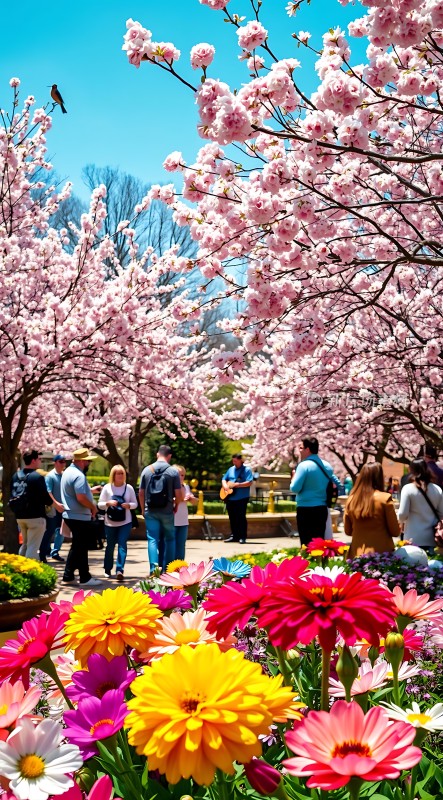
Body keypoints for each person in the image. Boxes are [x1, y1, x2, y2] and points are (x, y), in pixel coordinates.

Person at [61, 447, 102, 587]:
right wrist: (92, 506)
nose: (89, 464)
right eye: (88, 462)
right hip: (79, 516)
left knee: (78, 546)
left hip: (71, 514)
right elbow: (80, 497)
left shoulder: (67, 472)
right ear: (82, 461)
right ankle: (84, 577)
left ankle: (69, 575)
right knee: (81, 546)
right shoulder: (79, 475)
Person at [139, 445, 182, 573]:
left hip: (150, 510)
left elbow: (141, 493)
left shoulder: (146, 470)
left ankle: (154, 569)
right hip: (167, 510)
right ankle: (168, 569)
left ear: (158, 454)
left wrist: (142, 509)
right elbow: (179, 495)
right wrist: (176, 506)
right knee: (170, 538)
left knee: (152, 538)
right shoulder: (173, 472)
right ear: (169, 456)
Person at [289, 436, 339, 546]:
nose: (299, 451)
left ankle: (308, 563)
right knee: (319, 544)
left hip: (305, 510)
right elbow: (337, 484)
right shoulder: (326, 466)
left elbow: (294, 488)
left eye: (301, 448)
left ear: (308, 449)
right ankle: (319, 563)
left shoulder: (303, 466)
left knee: (307, 544)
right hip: (321, 509)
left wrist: (293, 477)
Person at [344, 463, 400, 558]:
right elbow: (395, 532)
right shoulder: (385, 499)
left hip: (356, 555)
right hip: (381, 555)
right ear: (379, 477)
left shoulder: (351, 500)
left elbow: (348, 531)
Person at [10, 450, 52, 561]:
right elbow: (46, 499)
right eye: (39, 459)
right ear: (33, 460)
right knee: (33, 548)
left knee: (25, 544)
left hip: (20, 516)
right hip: (36, 517)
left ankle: (19, 569)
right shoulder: (37, 477)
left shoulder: (16, 476)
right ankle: (30, 573)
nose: (40, 461)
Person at [98, 466, 138, 580]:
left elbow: (135, 504)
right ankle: (107, 568)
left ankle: (120, 569)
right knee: (110, 546)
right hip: (110, 522)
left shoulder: (129, 488)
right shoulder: (107, 488)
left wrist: (129, 505)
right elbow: (100, 504)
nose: (120, 476)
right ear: (113, 475)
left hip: (125, 522)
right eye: (118, 473)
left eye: (122, 473)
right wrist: (108, 503)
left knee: (122, 544)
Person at [398, 458, 443, 552]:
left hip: (412, 537)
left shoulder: (408, 488)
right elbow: (441, 513)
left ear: (411, 470)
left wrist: (400, 522)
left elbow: (402, 514)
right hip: (432, 537)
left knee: (415, 565)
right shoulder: (437, 489)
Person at [40, 455, 66, 563]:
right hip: (53, 509)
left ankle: (55, 552)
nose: (63, 463)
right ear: (55, 463)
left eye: (64, 461)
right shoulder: (50, 476)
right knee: (49, 531)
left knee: (62, 531)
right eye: (60, 461)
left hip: (63, 508)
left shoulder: (64, 476)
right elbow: (48, 492)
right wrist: (56, 504)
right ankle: (43, 553)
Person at [222, 454, 253, 544]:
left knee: (241, 517)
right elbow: (224, 479)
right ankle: (234, 536)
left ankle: (242, 537)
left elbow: (249, 482)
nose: (234, 462)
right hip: (230, 497)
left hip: (242, 497)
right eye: (233, 461)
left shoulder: (246, 470)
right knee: (232, 517)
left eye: (235, 461)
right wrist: (225, 486)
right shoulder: (231, 469)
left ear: (240, 460)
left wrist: (237, 485)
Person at [173, 465, 198, 559]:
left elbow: (195, 502)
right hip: (172, 521)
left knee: (181, 545)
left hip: (183, 521)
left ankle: (180, 566)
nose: (180, 477)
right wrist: (181, 499)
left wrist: (191, 498)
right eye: (178, 475)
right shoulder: (169, 487)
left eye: (182, 475)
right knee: (171, 545)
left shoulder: (186, 486)